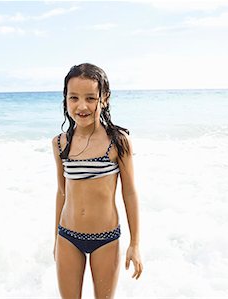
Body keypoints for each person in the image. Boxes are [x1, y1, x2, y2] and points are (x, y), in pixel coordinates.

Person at [51, 63, 143, 298]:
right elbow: (62, 193)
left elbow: (129, 192)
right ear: (66, 99)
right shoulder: (60, 143)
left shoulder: (117, 142)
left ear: (105, 99)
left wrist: (135, 243)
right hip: (67, 237)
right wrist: (56, 239)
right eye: (74, 98)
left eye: (91, 98)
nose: (82, 106)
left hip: (106, 239)